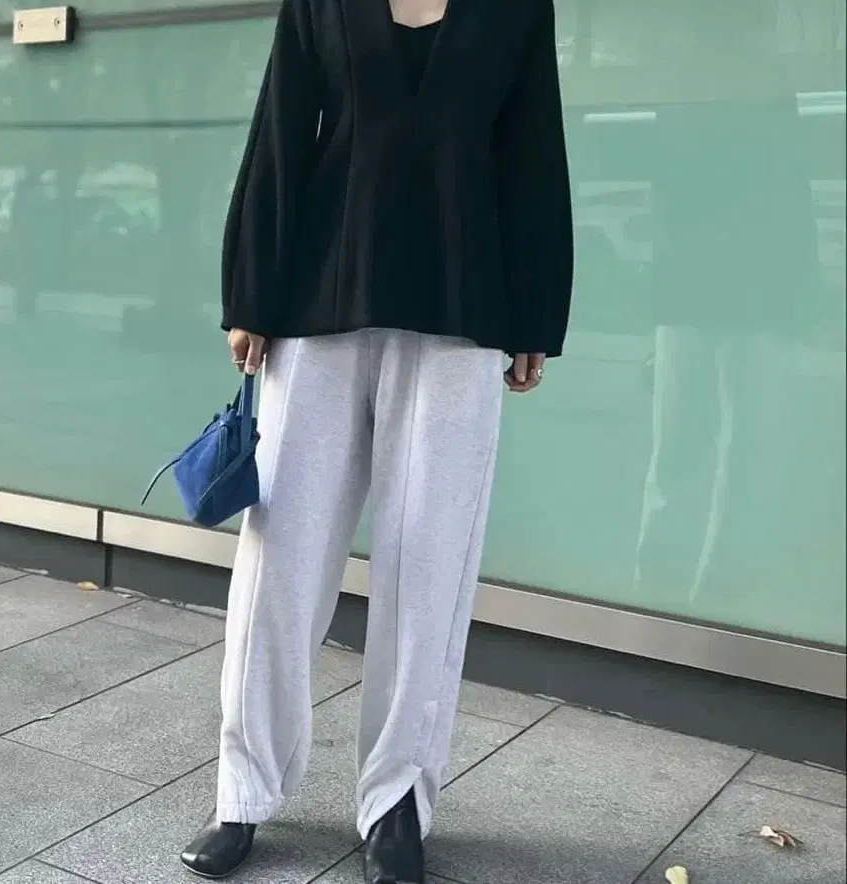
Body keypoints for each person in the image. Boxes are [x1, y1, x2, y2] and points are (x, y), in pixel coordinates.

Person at [180, 0, 572, 881]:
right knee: (280, 558)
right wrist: (251, 293)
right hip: (320, 295)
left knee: (430, 563)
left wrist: (535, 312)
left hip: (464, 302)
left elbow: (532, 150)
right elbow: (282, 129)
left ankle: (396, 801)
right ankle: (243, 790)